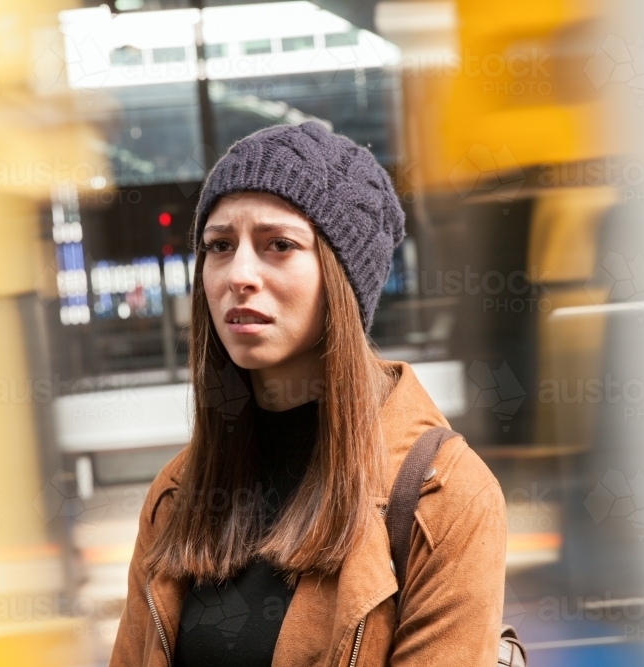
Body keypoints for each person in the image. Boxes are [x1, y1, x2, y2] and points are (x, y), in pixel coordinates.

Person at [109, 122, 506, 666]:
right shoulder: (177, 496)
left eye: (280, 245)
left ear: (342, 279)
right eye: (219, 246)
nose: (239, 274)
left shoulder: (445, 498)